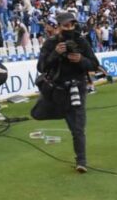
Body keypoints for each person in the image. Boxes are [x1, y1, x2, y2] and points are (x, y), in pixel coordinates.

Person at [32, 12, 99, 173]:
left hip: (77, 88)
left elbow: (94, 64)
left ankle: (81, 161)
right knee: (36, 113)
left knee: (77, 128)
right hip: (57, 90)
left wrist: (81, 60)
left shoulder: (81, 41)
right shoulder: (50, 43)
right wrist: (55, 53)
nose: (69, 28)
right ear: (59, 26)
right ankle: (63, 113)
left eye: (72, 25)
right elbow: (41, 67)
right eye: (66, 25)